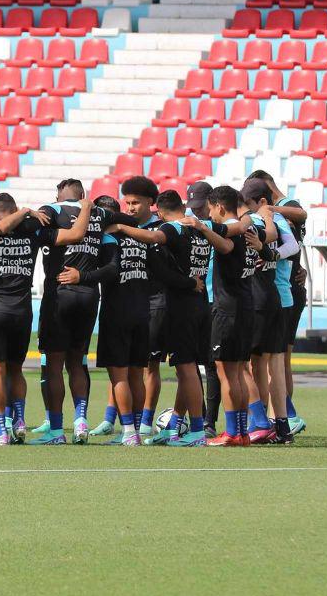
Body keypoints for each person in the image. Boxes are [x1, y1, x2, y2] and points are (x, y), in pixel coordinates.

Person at [0, 193, 90, 444]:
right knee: (16, 369)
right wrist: (86, 208)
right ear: (14, 209)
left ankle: (1, 431)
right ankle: (20, 419)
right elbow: (75, 235)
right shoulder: (33, 230)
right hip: (22, 311)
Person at [31, 179, 136, 444]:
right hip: (89, 295)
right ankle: (81, 421)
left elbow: (31, 228)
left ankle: (56, 431)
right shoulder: (100, 213)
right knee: (77, 361)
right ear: (83, 195)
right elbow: (129, 220)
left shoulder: (52, 210)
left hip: (60, 294)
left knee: (54, 364)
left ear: (59, 195)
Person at [110, 191, 214, 447]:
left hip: (181, 306)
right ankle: (177, 425)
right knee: (187, 369)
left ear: (160, 210)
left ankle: (197, 432)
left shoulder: (172, 228)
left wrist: (122, 227)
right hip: (202, 303)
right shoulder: (201, 227)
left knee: (186, 368)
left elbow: (155, 236)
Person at [79, 194, 151, 445]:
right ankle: (140, 430)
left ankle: (129, 432)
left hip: (117, 311)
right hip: (143, 311)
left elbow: (109, 272)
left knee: (119, 376)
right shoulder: (140, 237)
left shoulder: (105, 239)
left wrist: (82, 276)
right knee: (136, 374)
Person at [248, 169, 309, 435]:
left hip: (283, 290)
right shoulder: (277, 213)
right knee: (278, 358)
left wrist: (269, 212)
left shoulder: (283, 208)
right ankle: (281, 418)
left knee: (273, 359)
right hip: (286, 288)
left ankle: (281, 416)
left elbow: (300, 219)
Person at [195, 186, 252, 446]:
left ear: (219, 207)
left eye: (210, 209)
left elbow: (226, 247)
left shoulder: (229, 229)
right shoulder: (244, 228)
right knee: (237, 372)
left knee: (226, 372)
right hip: (244, 305)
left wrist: (204, 229)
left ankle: (231, 432)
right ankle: (240, 432)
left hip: (227, 308)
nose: (209, 214)